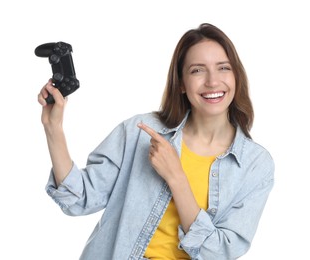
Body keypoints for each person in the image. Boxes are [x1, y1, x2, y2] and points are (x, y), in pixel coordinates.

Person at [38, 23, 274, 260]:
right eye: (197, 71)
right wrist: (53, 128)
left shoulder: (255, 165)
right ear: (181, 83)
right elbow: (79, 199)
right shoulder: (140, 132)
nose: (213, 81)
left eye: (223, 68)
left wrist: (177, 178)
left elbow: (220, 252)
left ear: (237, 76)